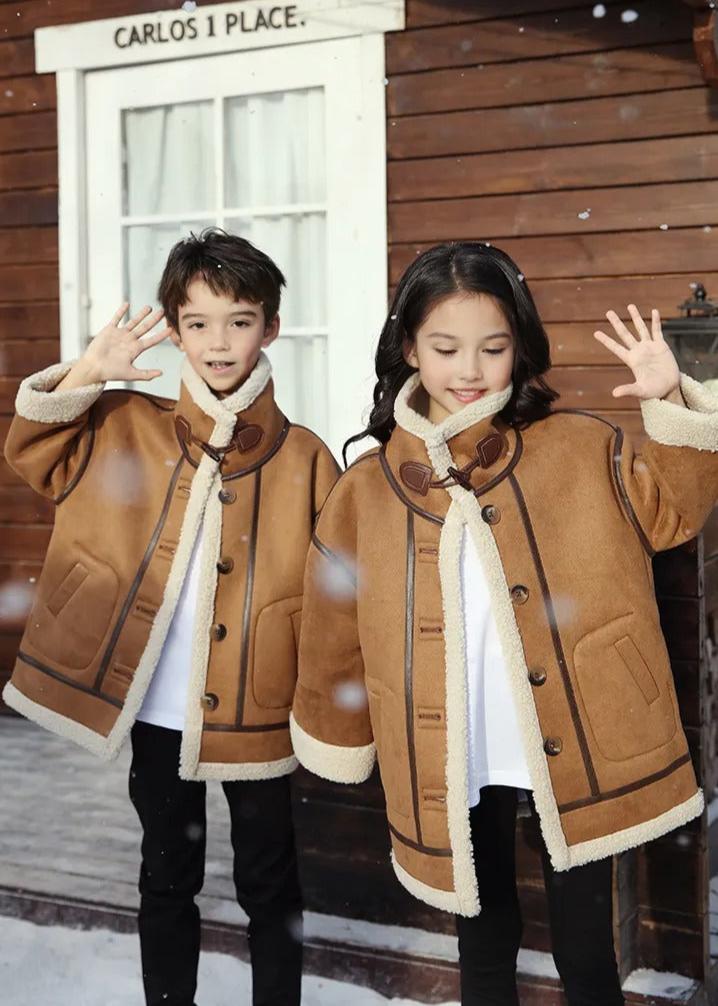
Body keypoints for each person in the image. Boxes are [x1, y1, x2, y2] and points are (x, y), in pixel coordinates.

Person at [289, 241, 718, 1005]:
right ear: (409, 349)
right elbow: (333, 620)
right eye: (445, 347)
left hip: (579, 737)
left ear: (519, 346)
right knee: (483, 946)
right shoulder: (370, 486)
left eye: (493, 347)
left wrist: (672, 402)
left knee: (587, 955)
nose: (469, 370)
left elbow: (674, 514)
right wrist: (333, 727)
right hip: (454, 744)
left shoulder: (580, 447)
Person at [3, 227, 339, 1006]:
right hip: (156, 705)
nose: (219, 343)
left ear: (271, 328)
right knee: (166, 874)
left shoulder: (306, 457)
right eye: (198, 323)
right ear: (175, 327)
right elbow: (33, 454)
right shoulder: (124, 423)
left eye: (239, 321)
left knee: (268, 880)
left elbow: (335, 594)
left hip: (259, 703)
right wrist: (89, 371)